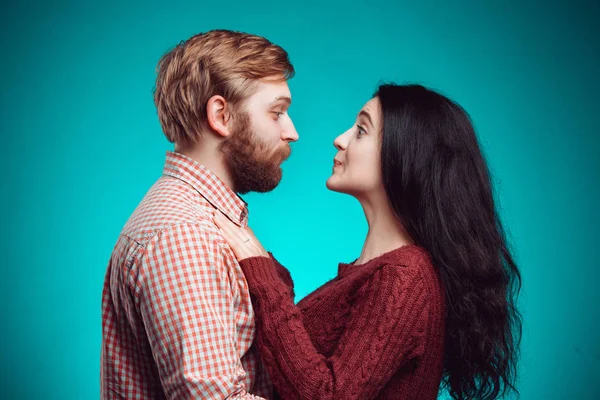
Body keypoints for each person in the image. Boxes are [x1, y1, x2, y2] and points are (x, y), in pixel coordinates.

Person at [215, 83, 522, 400]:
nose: (340, 139)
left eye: (361, 130)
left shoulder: (403, 277)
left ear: (405, 157)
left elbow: (328, 395)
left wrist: (263, 276)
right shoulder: (382, 271)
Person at [101, 29, 299, 399]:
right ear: (221, 115)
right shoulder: (184, 236)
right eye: (277, 112)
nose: (292, 132)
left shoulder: (194, 221)